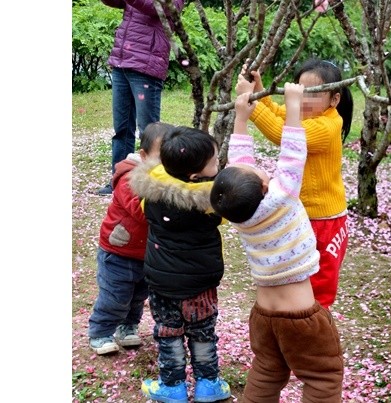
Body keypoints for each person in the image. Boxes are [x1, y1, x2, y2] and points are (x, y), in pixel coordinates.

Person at [210, 83, 344, 402]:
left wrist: (242, 117)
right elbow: (293, 153)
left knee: (268, 371)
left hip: (263, 316)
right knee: (323, 377)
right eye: (257, 170)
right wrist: (294, 106)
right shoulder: (282, 196)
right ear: (265, 184)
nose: (255, 164)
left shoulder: (240, 215)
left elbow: (240, 163)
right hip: (301, 317)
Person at [236, 58, 354, 310]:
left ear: (334, 100)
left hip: (323, 218)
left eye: (311, 94)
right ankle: (301, 319)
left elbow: (283, 134)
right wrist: (258, 91)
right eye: (299, 91)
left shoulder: (327, 125)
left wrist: (250, 108)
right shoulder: (308, 115)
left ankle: (318, 323)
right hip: (305, 214)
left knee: (319, 283)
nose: (301, 101)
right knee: (299, 274)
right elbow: (281, 112)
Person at [129, 125, 231, 403]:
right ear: (196, 175)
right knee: (202, 332)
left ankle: (173, 386)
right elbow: (226, 213)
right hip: (201, 284)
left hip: (162, 283)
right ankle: (208, 384)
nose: (218, 164)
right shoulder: (212, 204)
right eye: (214, 161)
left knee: (168, 332)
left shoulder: (151, 196)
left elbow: (151, 190)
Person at [88, 122, 166, 355]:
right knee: (115, 295)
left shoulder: (167, 179)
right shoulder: (129, 176)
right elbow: (140, 210)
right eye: (161, 157)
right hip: (118, 250)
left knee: (139, 295)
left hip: (146, 253)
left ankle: (128, 327)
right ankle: (100, 332)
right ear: (144, 155)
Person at [96, 0, 185, 195]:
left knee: (149, 132)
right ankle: (118, 182)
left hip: (147, 65)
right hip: (122, 61)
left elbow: (161, 8)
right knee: (121, 129)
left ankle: (152, 184)